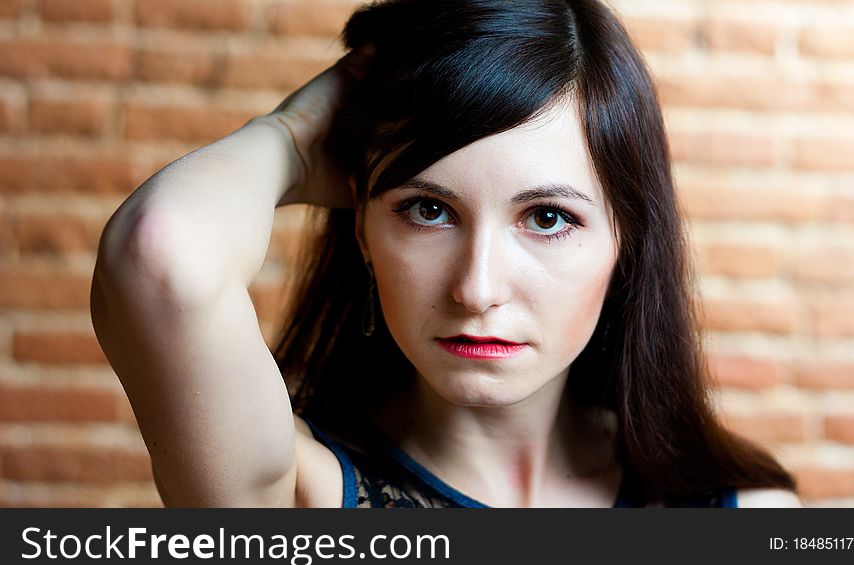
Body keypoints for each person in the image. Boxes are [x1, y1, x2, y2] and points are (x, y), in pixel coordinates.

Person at [91, 0, 803, 508]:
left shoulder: (746, 514)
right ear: (363, 231)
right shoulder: (299, 501)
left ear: (626, 243)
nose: (477, 287)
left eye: (547, 217)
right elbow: (161, 253)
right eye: (427, 209)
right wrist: (291, 135)